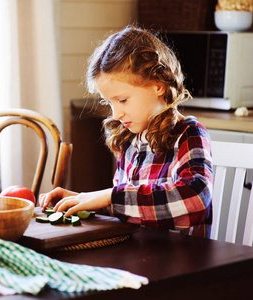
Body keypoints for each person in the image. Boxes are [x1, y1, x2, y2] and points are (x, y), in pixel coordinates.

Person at [40, 26, 213, 238]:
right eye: (109, 102)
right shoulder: (130, 140)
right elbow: (129, 209)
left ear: (158, 85)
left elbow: (197, 199)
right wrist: (86, 200)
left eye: (122, 100)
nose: (116, 114)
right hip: (139, 257)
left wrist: (109, 197)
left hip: (181, 261)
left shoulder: (188, 134)